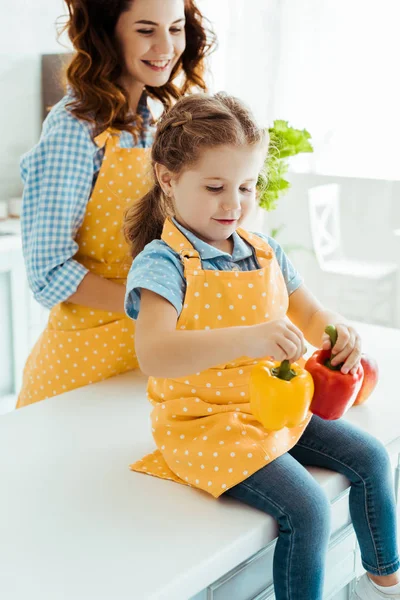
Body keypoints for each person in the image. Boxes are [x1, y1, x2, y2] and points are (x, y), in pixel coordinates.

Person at [123, 92, 400, 600]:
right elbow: (155, 353)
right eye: (215, 187)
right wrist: (251, 338)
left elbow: (313, 316)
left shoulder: (264, 251)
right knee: (309, 509)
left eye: (246, 186)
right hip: (205, 426)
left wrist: (340, 332)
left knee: (373, 459)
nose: (234, 203)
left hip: (272, 411)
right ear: (168, 179)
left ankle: (382, 586)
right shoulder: (162, 264)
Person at [17, 0, 216, 408]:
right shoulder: (74, 128)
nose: (165, 45)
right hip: (81, 374)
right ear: (108, 33)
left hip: (150, 359)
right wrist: (153, 303)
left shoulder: (155, 120)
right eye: (146, 30)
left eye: (175, 28)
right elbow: (47, 270)